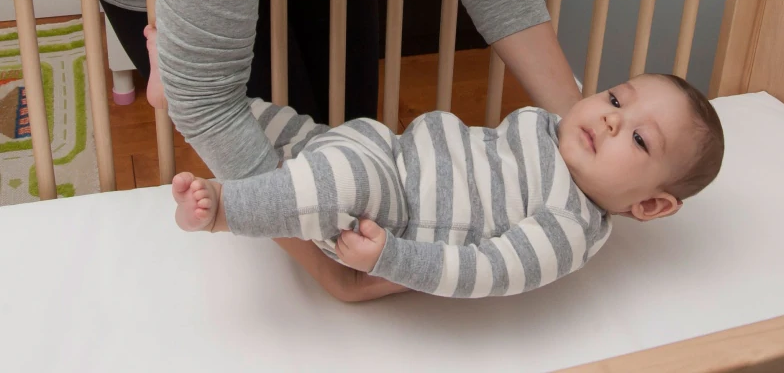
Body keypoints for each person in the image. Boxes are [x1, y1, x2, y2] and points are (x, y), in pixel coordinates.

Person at [84, 0, 582, 300]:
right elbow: (208, 99)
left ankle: (176, 82)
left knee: (351, 151)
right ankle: (169, 78)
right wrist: (336, 274)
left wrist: (587, 129)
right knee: (301, 173)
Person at [170, 73, 725, 298]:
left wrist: (391, 258)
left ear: (650, 204)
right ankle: (183, 93)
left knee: (330, 183)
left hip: (392, 214)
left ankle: (225, 208)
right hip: (386, 148)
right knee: (295, 132)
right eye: (616, 97)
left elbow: (486, 270)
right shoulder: (554, 130)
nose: (611, 118)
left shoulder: (569, 225)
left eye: (640, 139)